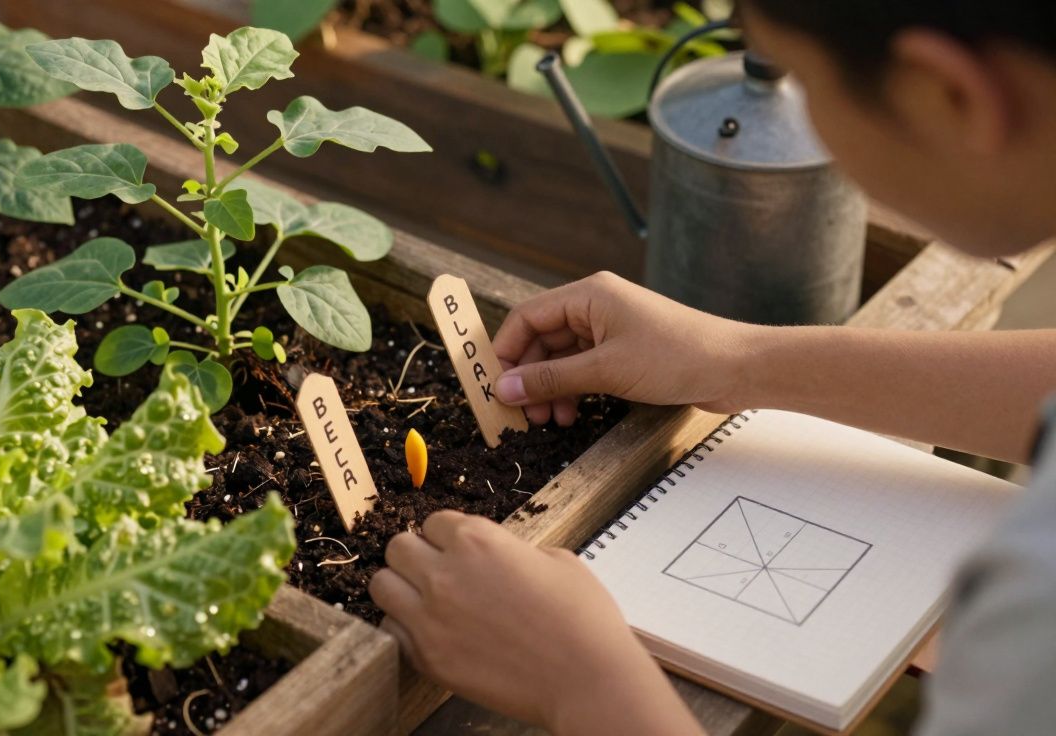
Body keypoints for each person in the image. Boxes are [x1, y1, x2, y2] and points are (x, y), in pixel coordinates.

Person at [368, 1, 1056, 734]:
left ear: (947, 95)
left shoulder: (1028, 629)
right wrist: (735, 359)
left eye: (801, 83)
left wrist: (584, 682)